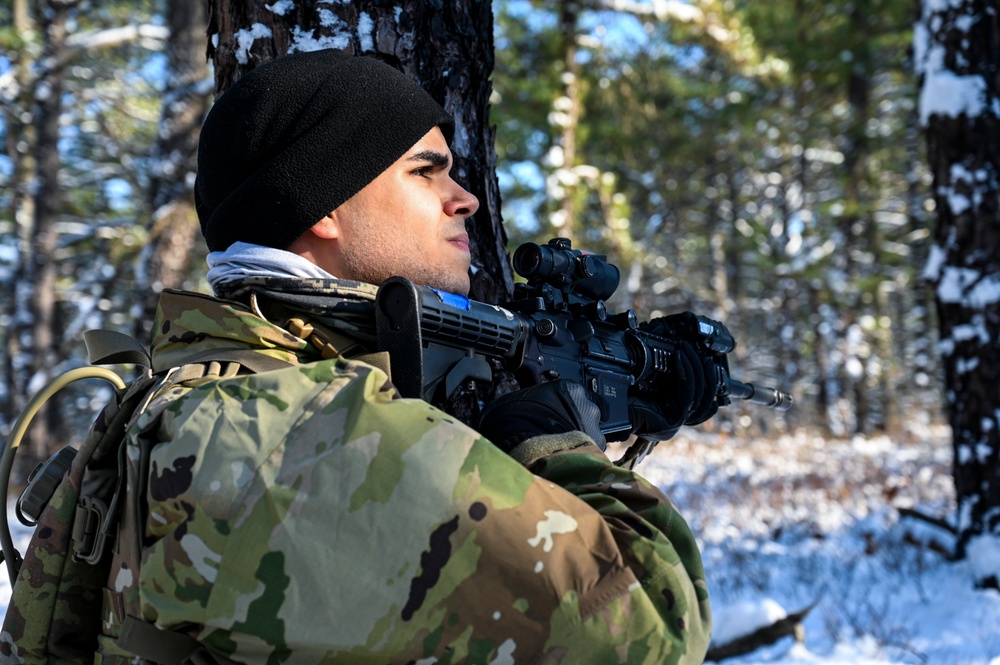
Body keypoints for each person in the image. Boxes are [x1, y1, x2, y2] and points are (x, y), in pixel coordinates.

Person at [99, 49, 714, 664]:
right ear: (322, 207)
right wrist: (559, 449)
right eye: (426, 172)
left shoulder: (221, 392)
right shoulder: (306, 431)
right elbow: (655, 630)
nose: (467, 198)